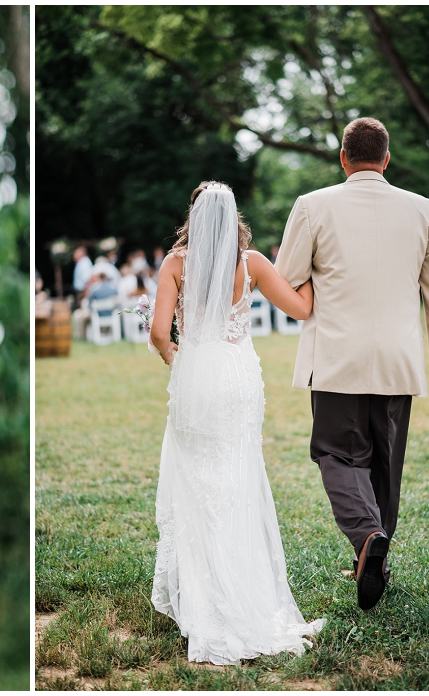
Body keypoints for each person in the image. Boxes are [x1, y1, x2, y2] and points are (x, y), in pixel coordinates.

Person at [275, 117, 429, 611]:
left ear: (342, 158)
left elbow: (285, 278)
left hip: (336, 357)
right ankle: (374, 552)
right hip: (399, 360)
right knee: (385, 462)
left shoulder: (312, 206)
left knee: (338, 454)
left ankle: (367, 536)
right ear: (387, 159)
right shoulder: (424, 210)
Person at [148, 181, 322, 666]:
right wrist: (312, 271)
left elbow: (161, 332)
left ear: (195, 217)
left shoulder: (175, 264)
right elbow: (302, 308)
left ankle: (205, 598)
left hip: (197, 376)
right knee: (237, 478)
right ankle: (245, 592)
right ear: (234, 218)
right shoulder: (254, 265)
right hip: (240, 377)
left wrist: (172, 355)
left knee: (198, 481)